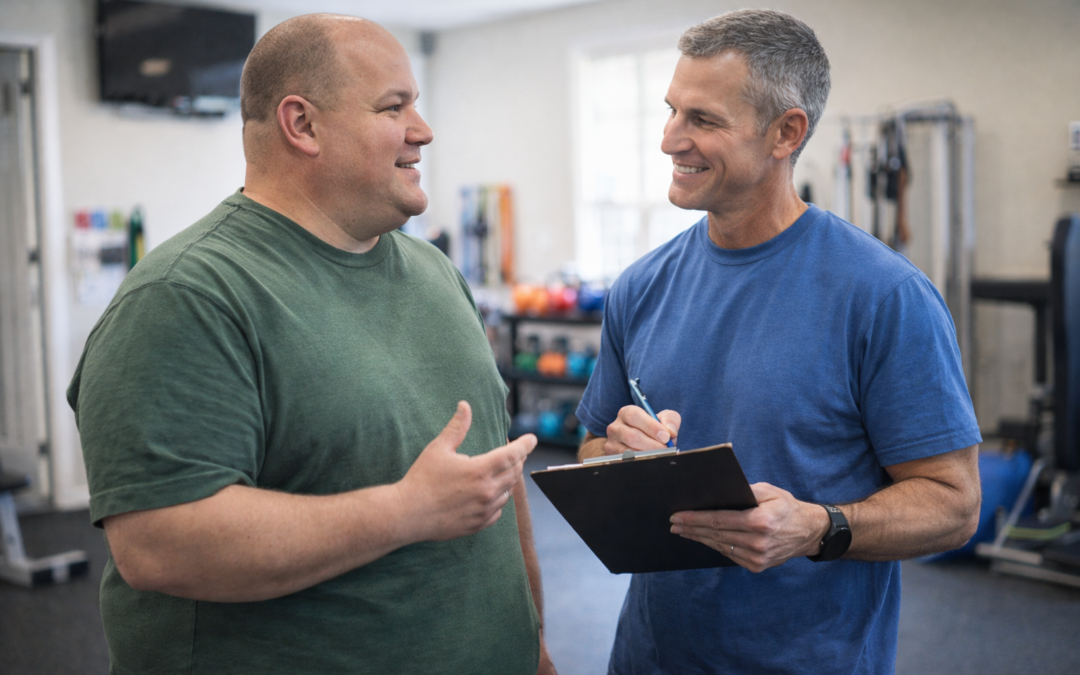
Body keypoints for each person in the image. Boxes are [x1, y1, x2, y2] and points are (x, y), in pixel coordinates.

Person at [68, 14, 555, 674]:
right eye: (395, 106)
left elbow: (497, 473)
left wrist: (533, 641)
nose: (424, 129)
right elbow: (161, 544)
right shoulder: (187, 295)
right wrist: (406, 510)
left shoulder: (434, 272)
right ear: (302, 125)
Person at [576, 9, 981, 675]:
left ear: (785, 132)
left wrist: (820, 527)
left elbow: (954, 504)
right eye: (672, 111)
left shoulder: (884, 297)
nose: (669, 140)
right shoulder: (640, 286)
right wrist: (615, 454)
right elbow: (592, 449)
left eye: (701, 120)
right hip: (649, 656)